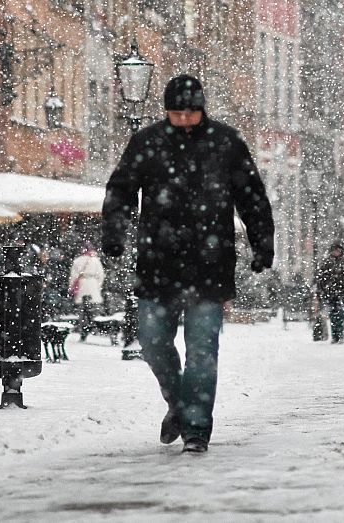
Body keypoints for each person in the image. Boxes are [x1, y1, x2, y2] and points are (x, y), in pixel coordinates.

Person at [102, 74, 273, 455]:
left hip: (209, 266)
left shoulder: (225, 144)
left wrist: (262, 244)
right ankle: (177, 403)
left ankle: (196, 427)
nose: (182, 120)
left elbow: (252, 197)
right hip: (157, 262)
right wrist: (114, 231)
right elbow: (122, 189)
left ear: (201, 111)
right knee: (152, 341)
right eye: (175, 113)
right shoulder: (148, 142)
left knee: (202, 351)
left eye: (189, 113)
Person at [314, 242, 344, 343]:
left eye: (338, 250)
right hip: (331, 292)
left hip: (341, 292)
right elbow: (321, 279)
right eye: (334, 250)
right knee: (334, 314)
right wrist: (322, 290)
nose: (336, 252)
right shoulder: (327, 263)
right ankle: (335, 335)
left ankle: (339, 334)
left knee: (339, 314)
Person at [70, 243, 106, 342]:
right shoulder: (95, 260)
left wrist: (72, 287)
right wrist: (98, 286)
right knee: (94, 309)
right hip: (93, 284)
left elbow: (73, 276)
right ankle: (95, 328)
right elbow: (101, 275)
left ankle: (83, 329)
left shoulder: (77, 260)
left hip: (82, 285)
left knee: (82, 310)